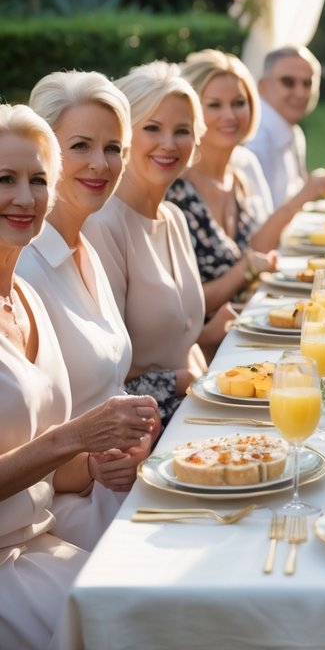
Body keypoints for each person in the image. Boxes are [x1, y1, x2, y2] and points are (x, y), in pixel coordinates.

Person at [0, 104, 156, 650]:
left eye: (38, 180)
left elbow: (41, 460)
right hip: (7, 563)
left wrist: (93, 461)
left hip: (39, 539)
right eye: (5, 179)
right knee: (142, 620)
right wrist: (76, 438)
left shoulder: (26, 299)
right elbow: (55, 439)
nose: (25, 197)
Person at [19, 71, 150, 551]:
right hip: (64, 514)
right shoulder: (25, 268)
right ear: (46, 154)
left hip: (121, 485)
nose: (101, 163)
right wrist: (90, 467)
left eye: (113, 147)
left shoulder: (84, 247)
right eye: (81, 146)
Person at [86, 62, 211, 427]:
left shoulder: (174, 218)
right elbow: (106, 374)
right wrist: (189, 381)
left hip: (189, 410)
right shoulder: (104, 225)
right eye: (152, 128)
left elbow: (186, 344)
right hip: (142, 429)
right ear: (123, 138)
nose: (169, 144)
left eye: (182, 131)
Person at [169, 49, 308, 318]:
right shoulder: (175, 189)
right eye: (214, 105)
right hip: (209, 344)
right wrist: (247, 269)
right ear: (190, 112)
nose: (230, 115)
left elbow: (263, 248)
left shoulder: (242, 170)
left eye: (238, 103)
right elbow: (184, 308)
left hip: (256, 318)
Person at [246, 45, 325, 209]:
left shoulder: (293, 131)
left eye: (307, 83)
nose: (300, 93)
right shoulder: (256, 142)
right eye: (288, 82)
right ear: (263, 86)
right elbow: (260, 223)